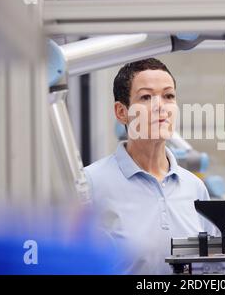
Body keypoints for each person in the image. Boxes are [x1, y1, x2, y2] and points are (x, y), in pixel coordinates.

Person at [84, 58, 216, 274]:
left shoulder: (195, 187)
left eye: (169, 96)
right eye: (146, 97)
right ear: (121, 112)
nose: (160, 107)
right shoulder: (90, 184)